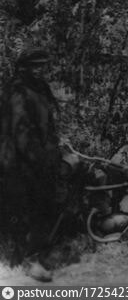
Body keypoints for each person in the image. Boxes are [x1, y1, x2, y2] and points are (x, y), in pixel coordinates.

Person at [0, 48, 63, 282]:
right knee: (28, 210)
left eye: (42, 66)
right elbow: (22, 136)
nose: (40, 70)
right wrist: (46, 160)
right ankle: (29, 261)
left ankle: (30, 256)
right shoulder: (18, 92)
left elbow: (45, 124)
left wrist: (57, 146)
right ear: (23, 68)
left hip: (34, 159)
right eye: (35, 66)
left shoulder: (38, 88)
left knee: (40, 207)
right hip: (19, 163)